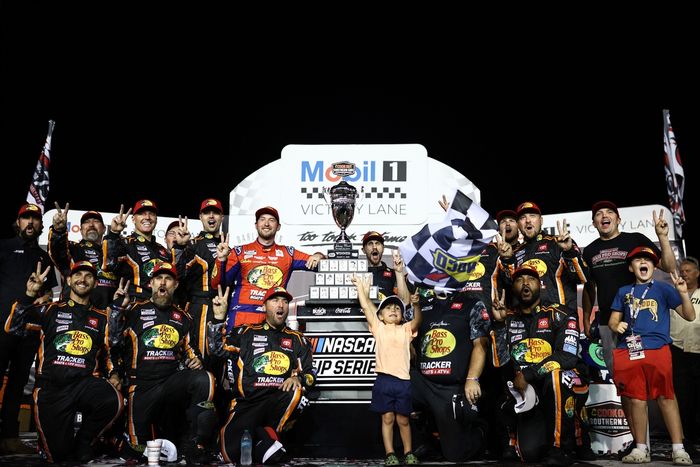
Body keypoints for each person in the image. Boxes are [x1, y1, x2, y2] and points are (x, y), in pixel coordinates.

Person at [6, 261, 123, 462]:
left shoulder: (102, 317)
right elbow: (13, 327)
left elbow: (110, 351)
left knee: (114, 399)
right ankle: (55, 444)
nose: (83, 279)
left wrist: (114, 373)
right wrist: (29, 295)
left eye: (88, 276)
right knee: (58, 456)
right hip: (51, 389)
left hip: (84, 384)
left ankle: (85, 441)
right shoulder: (50, 310)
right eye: (78, 275)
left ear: (95, 283)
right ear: (68, 280)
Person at [108, 262, 216, 463]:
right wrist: (116, 310)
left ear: (176, 285)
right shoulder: (133, 310)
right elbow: (113, 342)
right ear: (151, 283)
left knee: (205, 379)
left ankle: (195, 444)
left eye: (168, 279)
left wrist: (195, 361)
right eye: (159, 278)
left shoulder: (183, 317)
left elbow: (191, 351)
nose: (163, 283)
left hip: (170, 384)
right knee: (136, 451)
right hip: (140, 387)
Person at [491, 266, 590, 465]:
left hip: (566, 380)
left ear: (540, 285)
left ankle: (561, 448)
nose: (525, 283)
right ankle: (517, 439)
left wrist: (528, 374)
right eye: (519, 280)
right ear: (513, 288)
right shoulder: (508, 318)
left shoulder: (561, 313)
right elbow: (499, 363)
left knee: (556, 377)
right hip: (528, 389)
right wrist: (499, 325)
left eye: (531, 279)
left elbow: (567, 357)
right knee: (530, 454)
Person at [208, 285, 316, 464]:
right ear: (264, 306)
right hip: (247, 403)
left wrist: (299, 378)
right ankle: (265, 439)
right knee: (230, 455)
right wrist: (218, 318)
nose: (281, 305)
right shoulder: (245, 332)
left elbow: (311, 375)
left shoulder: (298, 339)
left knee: (298, 393)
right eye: (275, 300)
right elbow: (217, 349)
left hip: (276, 401)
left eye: (285, 301)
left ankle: (268, 437)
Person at [608, 246, 694, 465]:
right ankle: (640, 448)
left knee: (666, 396)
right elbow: (613, 320)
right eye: (638, 260)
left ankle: (678, 448)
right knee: (636, 399)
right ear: (631, 267)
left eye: (648, 260)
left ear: (654, 267)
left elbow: (689, 315)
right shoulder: (623, 291)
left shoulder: (664, 289)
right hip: (630, 349)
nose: (643, 262)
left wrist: (684, 294)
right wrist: (616, 325)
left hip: (657, 349)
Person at [582, 201, 676, 375]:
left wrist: (663, 237)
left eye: (609, 212)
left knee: (647, 375)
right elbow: (589, 287)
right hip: (608, 323)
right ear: (594, 223)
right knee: (618, 376)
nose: (604, 215)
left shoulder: (635, 239)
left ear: (618, 219)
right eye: (599, 214)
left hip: (639, 322)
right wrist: (586, 318)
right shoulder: (588, 251)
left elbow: (669, 267)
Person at [0, 203, 58, 454]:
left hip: (29, 330)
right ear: (18, 222)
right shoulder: (4, 247)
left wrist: (45, 298)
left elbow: (49, 294)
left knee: (18, 382)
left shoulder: (44, 257)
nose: (31, 223)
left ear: (41, 225)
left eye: (35, 219)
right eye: (26, 218)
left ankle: (9, 436)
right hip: (2, 326)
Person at [409, 286, 489, 462]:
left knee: (455, 455)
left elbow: (481, 344)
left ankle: (481, 431)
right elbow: (399, 327)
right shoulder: (421, 305)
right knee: (392, 388)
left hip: (452, 388)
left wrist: (472, 379)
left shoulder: (472, 304)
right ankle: (426, 440)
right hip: (424, 382)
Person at [353, 275, 422, 465]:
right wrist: (361, 289)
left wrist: (416, 305)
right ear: (381, 315)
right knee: (388, 418)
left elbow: (417, 321)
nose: (393, 310)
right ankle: (390, 453)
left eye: (397, 308)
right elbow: (366, 307)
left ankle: (408, 452)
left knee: (403, 420)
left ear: (402, 315)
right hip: (383, 381)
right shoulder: (379, 327)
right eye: (388, 308)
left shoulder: (406, 329)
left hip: (403, 382)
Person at [218, 206, 324, 329]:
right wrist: (221, 260)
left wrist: (319, 255)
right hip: (241, 317)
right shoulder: (239, 252)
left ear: (278, 227)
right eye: (262, 219)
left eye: (271, 220)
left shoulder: (288, 253)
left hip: (272, 320)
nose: (266, 224)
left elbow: (316, 263)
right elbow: (219, 284)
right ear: (256, 225)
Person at [499, 201, 589, 314]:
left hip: (560, 318)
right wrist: (507, 261)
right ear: (518, 225)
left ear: (541, 220)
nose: (528, 220)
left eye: (532, 215)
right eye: (522, 217)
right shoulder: (514, 253)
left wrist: (569, 252)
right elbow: (510, 288)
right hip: (527, 320)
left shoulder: (559, 243)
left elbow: (582, 278)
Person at [172, 199, 229, 360]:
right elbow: (176, 276)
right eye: (206, 213)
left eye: (215, 213)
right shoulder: (192, 245)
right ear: (200, 217)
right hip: (199, 309)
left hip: (225, 308)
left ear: (222, 217)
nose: (211, 216)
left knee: (222, 357)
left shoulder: (229, 248)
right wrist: (180, 247)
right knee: (201, 358)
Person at [47, 203, 117, 308]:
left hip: (106, 314)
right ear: (80, 230)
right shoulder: (73, 248)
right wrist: (58, 231)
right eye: (86, 222)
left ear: (104, 229)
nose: (91, 224)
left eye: (96, 221)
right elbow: (57, 250)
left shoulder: (113, 252)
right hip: (73, 313)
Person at [103, 200, 173, 302]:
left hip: (160, 304)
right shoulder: (124, 243)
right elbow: (108, 264)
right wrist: (114, 233)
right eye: (142, 213)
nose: (147, 217)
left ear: (156, 219)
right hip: (132, 304)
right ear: (133, 219)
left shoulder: (163, 250)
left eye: (151, 214)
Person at [670, 257, 700, 446]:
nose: (684, 274)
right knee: (682, 395)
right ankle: (686, 437)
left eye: (688, 271)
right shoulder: (674, 296)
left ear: (697, 273)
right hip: (677, 350)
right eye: (682, 271)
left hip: (698, 350)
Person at [361, 231, 410, 306]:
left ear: (383, 248)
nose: (374, 247)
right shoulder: (357, 274)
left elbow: (405, 301)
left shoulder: (393, 274)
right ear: (363, 250)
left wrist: (399, 272)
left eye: (378, 243)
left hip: (386, 313)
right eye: (370, 244)